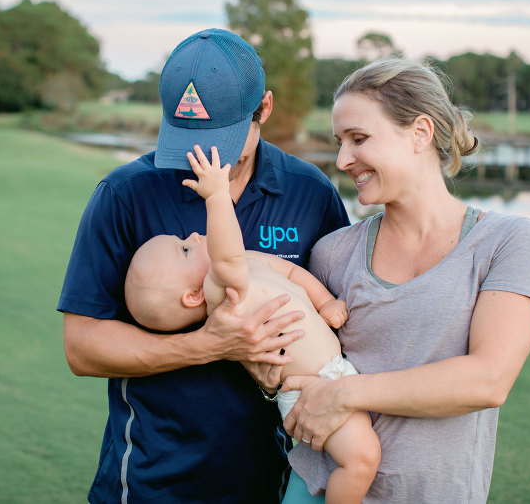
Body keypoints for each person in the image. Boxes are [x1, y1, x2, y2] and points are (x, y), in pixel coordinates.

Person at [57, 28, 350, 503]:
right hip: (151, 482)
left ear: (264, 109)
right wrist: (208, 345)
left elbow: (347, 322)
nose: (205, 157)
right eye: (190, 139)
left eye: (222, 139)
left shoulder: (310, 192)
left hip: (271, 481)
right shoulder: (125, 194)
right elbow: (82, 348)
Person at [280, 58, 530, 503]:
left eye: (359, 139)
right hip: (318, 491)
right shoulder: (332, 253)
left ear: (420, 132)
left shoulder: (506, 241)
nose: (343, 160)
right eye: (340, 143)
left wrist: (344, 394)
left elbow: (488, 379)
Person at [124, 144, 380, 503]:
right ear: (193, 296)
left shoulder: (246, 261)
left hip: (333, 374)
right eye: (184, 249)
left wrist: (325, 302)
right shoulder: (223, 293)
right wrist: (216, 196)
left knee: (362, 453)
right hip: (310, 391)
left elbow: (291, 272)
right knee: (361, 460)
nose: (193, 236)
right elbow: (225, 255)